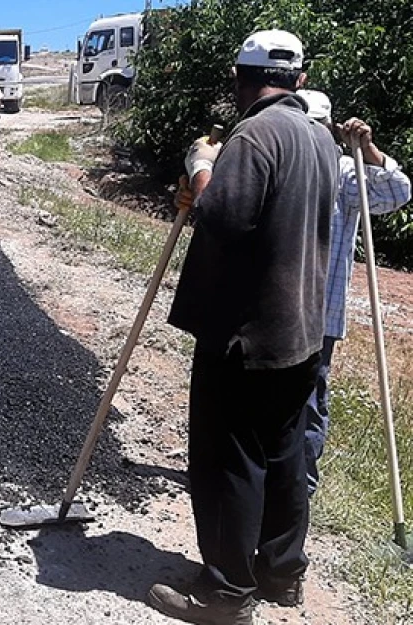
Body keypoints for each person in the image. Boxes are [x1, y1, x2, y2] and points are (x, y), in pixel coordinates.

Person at [147, 30, 340, 625]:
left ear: (240, 78)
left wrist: (202, 167)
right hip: (302, 330)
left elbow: (223, 217)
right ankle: (282, 576)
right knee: (282, 455)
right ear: (299, 80)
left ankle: (226, 595)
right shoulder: (319, 136)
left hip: (248, 332)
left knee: (229, 458)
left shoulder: (254, 135)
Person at [295, 89, 412, 496]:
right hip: (273, 306)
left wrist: (368, 150)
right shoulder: (282, 158)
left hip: (319, 314)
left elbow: (398, 193)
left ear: (328, 130)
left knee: (309, 402)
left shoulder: (346, 172)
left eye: (317, 128)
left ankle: (302, 487)